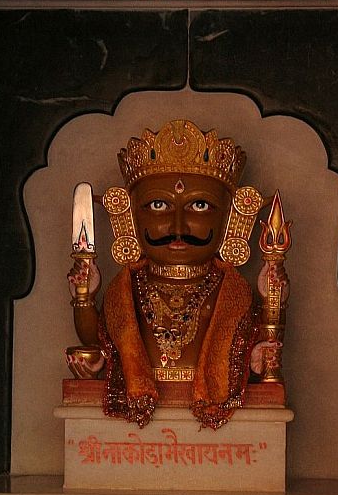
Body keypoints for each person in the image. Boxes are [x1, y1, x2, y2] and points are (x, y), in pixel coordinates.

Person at [69, 119, 279, 429]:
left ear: (230, 217)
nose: (178, 226)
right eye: (158, 204)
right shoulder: (125, 290)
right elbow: (101, 340)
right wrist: (84, 297)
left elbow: (259, 344)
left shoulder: (232, 293)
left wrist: (271, 307)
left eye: (200, 205)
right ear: (129, 214)